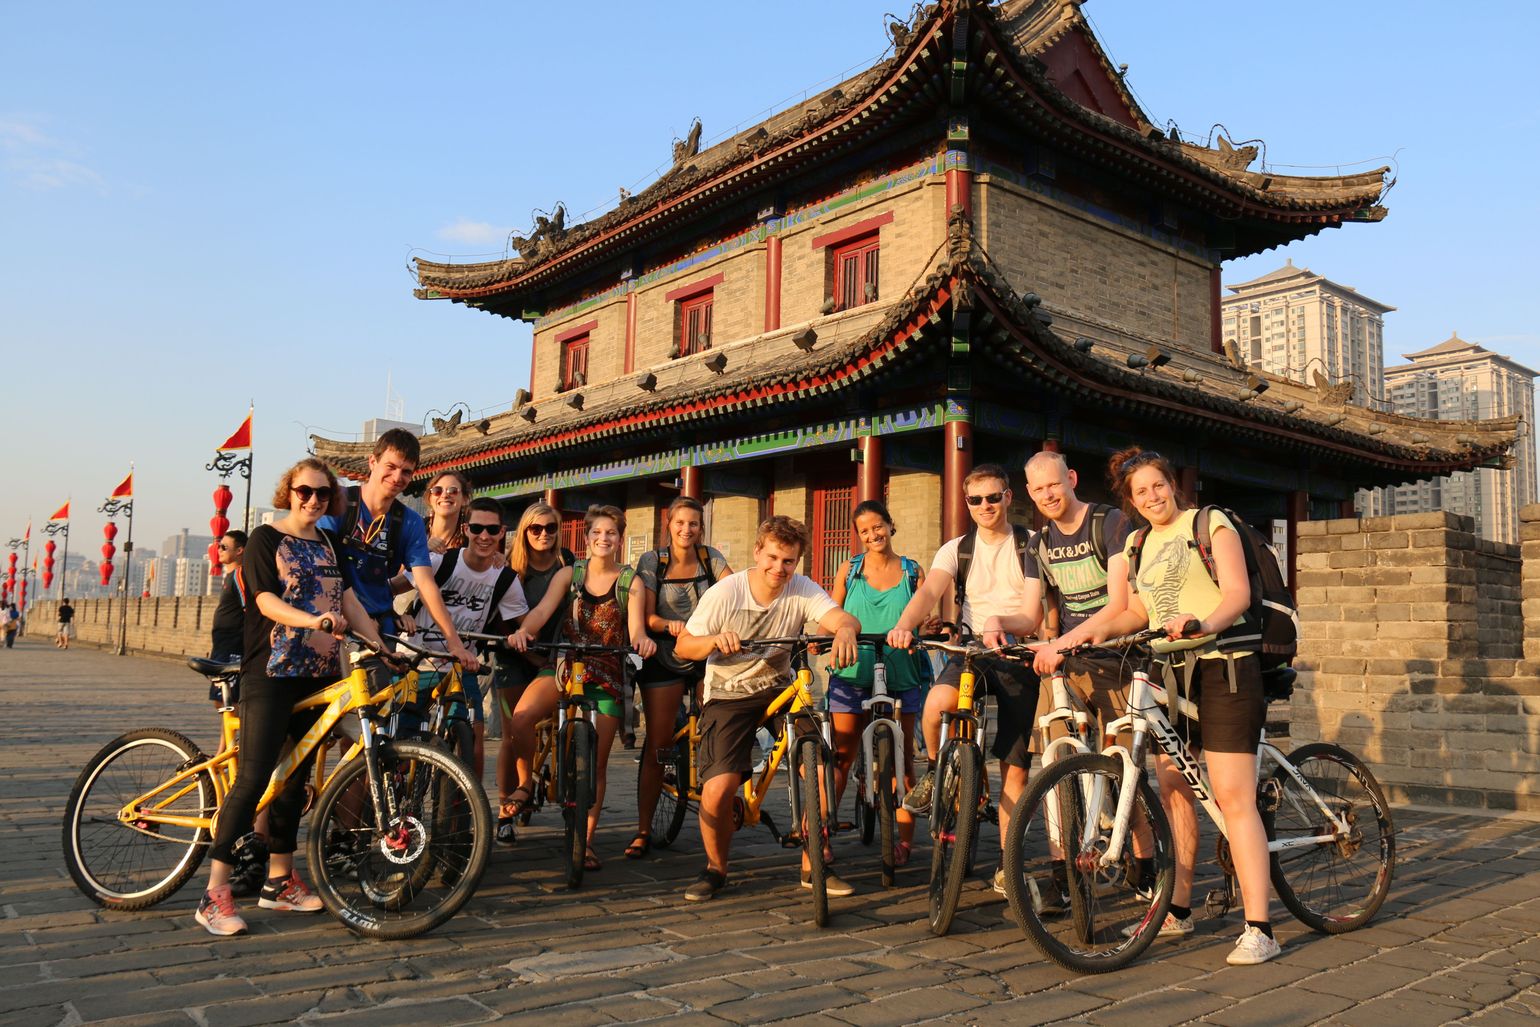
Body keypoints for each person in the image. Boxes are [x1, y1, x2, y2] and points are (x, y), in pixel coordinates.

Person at [1099, 447, 1279, 966]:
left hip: (1225, 664)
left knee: (1231, 795)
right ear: (1130, 501)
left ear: (1172, 484)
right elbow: (1129, 612)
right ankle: (1178, 908)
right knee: (1175, 787)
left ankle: (1260, 928)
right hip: (1171, 673)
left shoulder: (1208, 521)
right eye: (1141, 491)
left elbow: (1238, 594)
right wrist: (1067, 643)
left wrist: (1203, 623)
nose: (1152, 496)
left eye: (1158, 485)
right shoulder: (1136, 544)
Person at [195, 458, 388, 937]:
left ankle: (280, 880)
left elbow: (347, 601)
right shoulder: (265, 539)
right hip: (271, 672)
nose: (313, 500)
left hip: (316, 674)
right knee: (256, 777)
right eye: (305, 491)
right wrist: (310, 620)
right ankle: (214, 891)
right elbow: (264, 601)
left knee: (295, 777)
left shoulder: (328, 543)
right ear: (289, 491)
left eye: (323, 494)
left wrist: (380, 642)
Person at [982, 451, 1151, 910]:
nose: (1047, 495)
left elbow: (1120, 604)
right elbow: (1031, 612)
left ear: (1071, 479)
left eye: (1053, 485)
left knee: (1123, 766)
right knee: (1054, 765)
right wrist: (1000, 619)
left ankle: (1146, 863)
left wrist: (1061, 644)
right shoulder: (1039, 543)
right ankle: (1061, 872)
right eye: (1037, 490)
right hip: (1066, 664)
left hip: (1117, 657)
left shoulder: (1108, 521)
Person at [673, 515, 859, 902]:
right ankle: (715, 868)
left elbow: (839, 615)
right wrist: (712, 641)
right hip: (728, 693)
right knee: (719, 787)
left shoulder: (802, 588)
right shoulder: (728, 592)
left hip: (780, 689)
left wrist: (843, 629)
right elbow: (683, 646)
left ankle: (815, 864)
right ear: (757, 552)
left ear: (798, 562)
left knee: (821, 769)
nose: (779, 569)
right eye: (772, 558)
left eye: (788, 561)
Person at [886, 463, 1042, 895]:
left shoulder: (1031, 544)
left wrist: (1010, 625)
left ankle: (1009, 864)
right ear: (967, 502)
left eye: (994, 497)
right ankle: (940, 771)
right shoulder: (957, 548)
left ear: (1009, 497)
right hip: (973, 652)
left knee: (1015, 767)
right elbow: (929, 592)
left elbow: (1036, 611)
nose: (986, 506)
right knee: (936, 704)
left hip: (1018, 653)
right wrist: (905, 625)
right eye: (976, 499)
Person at [318, 428, 478, 673]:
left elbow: (425, 585)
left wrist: (454, 643)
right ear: (372, 462)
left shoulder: (409, 522)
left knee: (375, 706)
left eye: (406, 472)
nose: (397, 477)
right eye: (390, 467)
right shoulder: (338, 503)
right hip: (333, 622)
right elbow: (324, 571)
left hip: (381, 627)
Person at [393, 497, 529, 781]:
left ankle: (463, 816)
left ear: (502, 532)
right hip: (417, 662)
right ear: (466, 528)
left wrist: (523, 633)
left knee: (473, 741)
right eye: (477, 528)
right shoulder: (440, 561)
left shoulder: (505, 579)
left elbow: (525, 622)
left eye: (492, 530)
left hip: (461, 665)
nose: (484, 536)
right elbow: (391, 589)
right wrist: (395, 617)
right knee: (400, 746)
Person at [549, 506, 654, 870]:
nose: (604, 539)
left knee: (597, 763)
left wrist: (642, 641)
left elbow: (636, 628)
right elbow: (544, 611)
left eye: (611, 533)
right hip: (569, 670)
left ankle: (586, 841)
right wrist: (524, 631)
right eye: (597, 532)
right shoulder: (569, 575)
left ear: (620, 540)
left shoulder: (631, 582)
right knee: (564, 748)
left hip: (609, 672)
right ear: (587, 536)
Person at [628, 496, 731, 860]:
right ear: (668, 524)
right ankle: (642, 829)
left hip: (704, 651)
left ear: (701, 527)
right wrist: (668, 625)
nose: (687, 530)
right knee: (658, 742)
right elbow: (647, 615)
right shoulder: (653, 561)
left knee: (721, 723)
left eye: (694, 524)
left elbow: (733, 591)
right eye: (680, 523)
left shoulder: (710, 558)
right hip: (664, 653)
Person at [828, 500, 927, 869]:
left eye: (878, 526)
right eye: (865, 530)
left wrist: (931, 627)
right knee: (841, 755)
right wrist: (823, 635)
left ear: (890, 524)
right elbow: (831, 614)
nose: (873, 535)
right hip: (854, 670)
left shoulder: (912, 571)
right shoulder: (849, 570)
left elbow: (927, 615)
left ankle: (904, 842)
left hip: (902, 671)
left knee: (903, 762)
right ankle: (823, 833)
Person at [495, 502, 575, 845]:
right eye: (535, 529)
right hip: (513, 655)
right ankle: (503, 811)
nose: (544, 534)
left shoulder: (568, 564)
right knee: (512, 733)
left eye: (551, 528)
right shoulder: (508, 569)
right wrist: (529, 654)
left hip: (553, 654)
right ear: (524, 531)